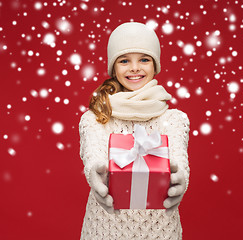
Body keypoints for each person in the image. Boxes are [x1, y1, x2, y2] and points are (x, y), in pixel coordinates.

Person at [79, 22, 190, 240]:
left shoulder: (174, 119)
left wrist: (181, 179)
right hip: (104, 230)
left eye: (144, 59)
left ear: (155, 65)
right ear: (113, 67)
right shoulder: (94, 118)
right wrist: (95, 173)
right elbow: (93, 157)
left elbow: (180, 161)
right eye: (124, 60)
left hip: (160, 231)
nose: (135, 68)